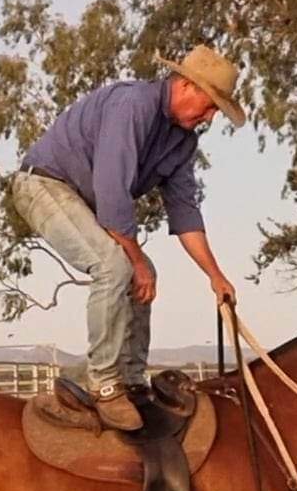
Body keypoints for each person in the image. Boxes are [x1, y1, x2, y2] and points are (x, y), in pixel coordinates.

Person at [12, 45, 243, 431]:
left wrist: (215, 276)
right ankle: (104, 384)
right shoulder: (133, 105)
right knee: (115, 267)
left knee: (140, 270)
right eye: (210, 105)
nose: (210, 116)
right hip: (44, 184)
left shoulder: (183, 143)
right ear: (186, 85)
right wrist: (135, 261)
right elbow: (112, 192)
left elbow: (185, 212)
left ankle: (133, 383)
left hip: (83, 201)